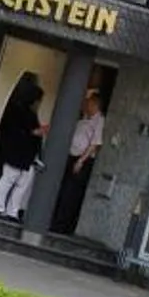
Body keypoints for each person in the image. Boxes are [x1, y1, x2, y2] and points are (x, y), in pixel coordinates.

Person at [50, 81, 106, 235]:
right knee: (63, 189)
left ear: (95, 104)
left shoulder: (99, 120)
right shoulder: (84, 118)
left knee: (71, 193)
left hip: (81, 160)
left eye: (89, 103)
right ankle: (55, 220)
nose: (86, 105)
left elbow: (95, 143)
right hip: (71, 156)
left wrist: (81, 161)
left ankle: (62, 225)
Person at [0, 73, 46, 219]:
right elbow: (26, 132)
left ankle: (9, 210)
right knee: (10, 179)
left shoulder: (23, 111)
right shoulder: (23, 113)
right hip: (18, 154)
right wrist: (37, 132)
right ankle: (0, 207)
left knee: (19, 183)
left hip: (24, 156)